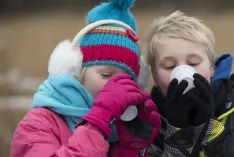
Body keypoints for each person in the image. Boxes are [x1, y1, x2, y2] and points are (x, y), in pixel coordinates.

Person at [10, 0, 161, 156]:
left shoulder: (126, 127)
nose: (116, 86)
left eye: (127, 79)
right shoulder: (39, 123)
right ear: (78, 72)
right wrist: (97, 123)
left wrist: (133, 150)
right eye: (106, 75)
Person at [145, 11, 234, 157]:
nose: (184, 73)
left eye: (193, 63)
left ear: (211, 67)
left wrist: (210, 130)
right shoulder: (145, 120)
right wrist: (178, 134)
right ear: (154, 74)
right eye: (169, 66)